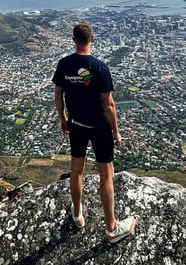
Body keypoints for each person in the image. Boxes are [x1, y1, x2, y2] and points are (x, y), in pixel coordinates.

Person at [52, 21, 137, 243]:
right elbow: (109, 104)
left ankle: (77, 215)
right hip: (99, 127)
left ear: (74, 40)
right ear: (92, 39)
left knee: (76, 171)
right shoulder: (99, 67)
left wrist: (63, 119)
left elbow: (58, 95)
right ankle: (111, 229)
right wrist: (116, 131)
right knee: (106, 175)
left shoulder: (64, 64)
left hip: (76, 124)